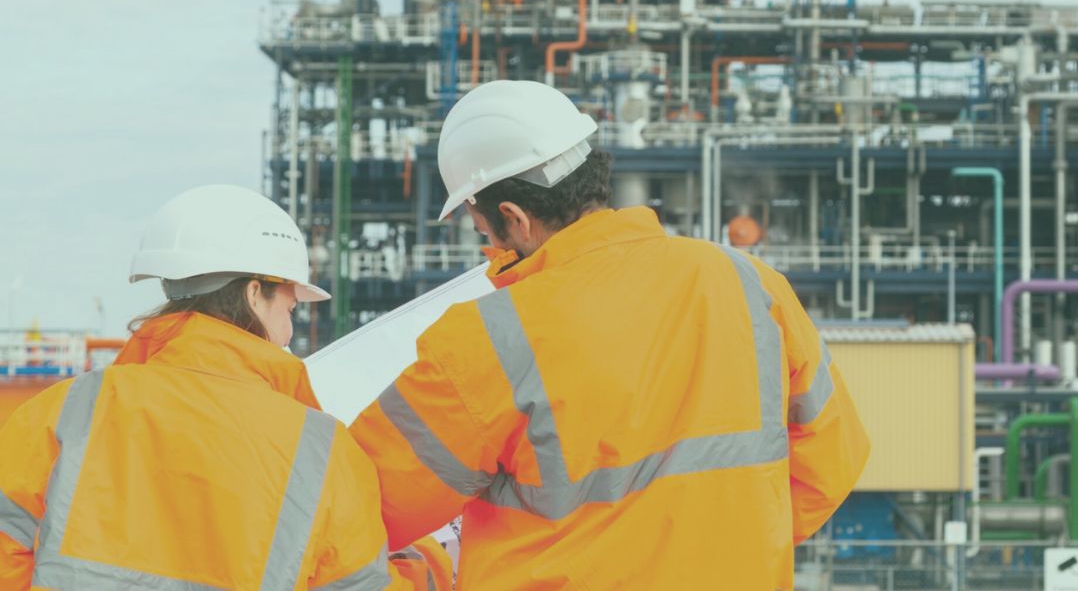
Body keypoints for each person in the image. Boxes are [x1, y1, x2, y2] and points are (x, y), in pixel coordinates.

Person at [351, 80, 871, 589]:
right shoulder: (751, 284)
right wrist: (736, 547)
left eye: (481, 226)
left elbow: (353, 510)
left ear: (512, 216)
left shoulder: (486, 341)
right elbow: (831, 459)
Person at [0, 184, 446, 590]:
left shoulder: (64, 412)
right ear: (255, 294)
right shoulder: (321, 451)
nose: (290, 331)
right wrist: (431, 564)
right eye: (290, 308)